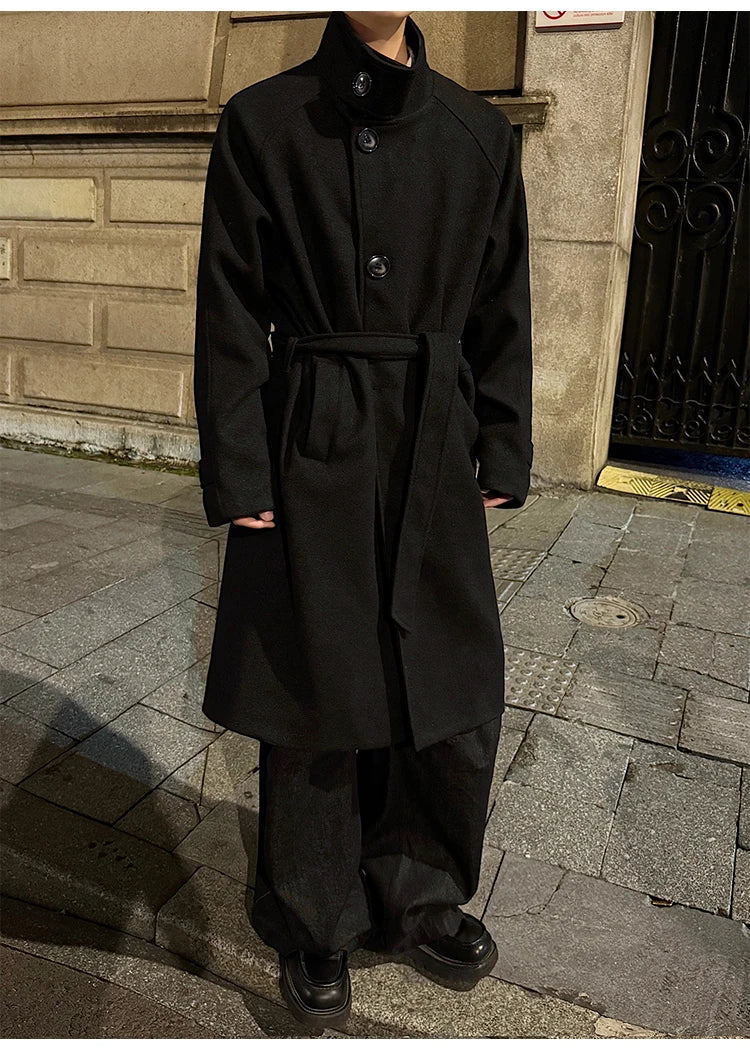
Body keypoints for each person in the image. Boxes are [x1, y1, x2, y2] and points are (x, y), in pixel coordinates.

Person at [193, 10, 533, 1031]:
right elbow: (229, 304)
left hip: (432, 436)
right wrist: (240, 463)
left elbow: (503, 304)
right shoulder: (262, 121)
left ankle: (420, 894)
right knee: (317, 684)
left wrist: (504, 441)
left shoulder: (481, 135)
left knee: (449, 679)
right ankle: (315, 915)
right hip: (314, 433)